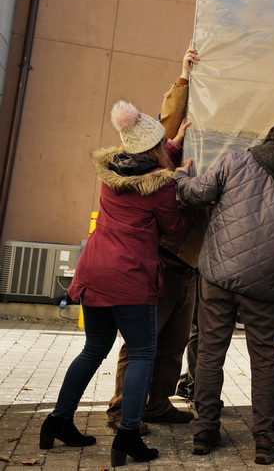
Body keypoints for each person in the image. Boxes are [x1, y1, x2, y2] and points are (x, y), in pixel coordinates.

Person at [39, 100, 192, 467]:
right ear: (154, 149)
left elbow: (143, 162)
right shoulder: (160, 188)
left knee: (94, 349)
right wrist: (182, 182)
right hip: (130, 275)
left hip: (94, 270)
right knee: (142, 352)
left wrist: (173, 145)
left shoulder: (111, 171)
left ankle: (58, 420)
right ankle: (128, 434)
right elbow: (176, 229)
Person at [174, 117, 274, 465]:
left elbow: (195, 194)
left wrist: (180, 175)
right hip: (263, 285)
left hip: (218, 275)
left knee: (209, 352)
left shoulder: (234, 161)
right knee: (265, 360)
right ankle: (266, 440)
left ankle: (205, 431)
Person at [105, 45, 204, 431]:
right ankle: (119, 410)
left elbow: (168, 138)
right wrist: (183, 75)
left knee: (173, 343)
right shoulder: (147, 172)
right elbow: (169, 121)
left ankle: (157, 404)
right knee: (142, 341)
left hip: (190, 264)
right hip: (162, 258)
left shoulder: (166, 154)